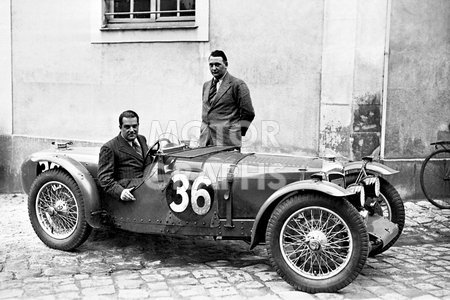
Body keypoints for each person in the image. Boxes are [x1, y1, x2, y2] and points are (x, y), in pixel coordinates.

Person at [199, 50, 255, 149]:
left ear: (226, 64)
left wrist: (236, 131)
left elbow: (249, 113)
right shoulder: (206, 85)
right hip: (206, 140)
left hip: (227, 142)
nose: (214, 68)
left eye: (217, 65)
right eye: (211, 65)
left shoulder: (237, 85)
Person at [98, 110, 149, 201]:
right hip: (133, 192)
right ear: (120, 127)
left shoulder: (142, 139)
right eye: (127, 127)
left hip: (149, 185)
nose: (132, 130)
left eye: (134, 126)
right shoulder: (109, 148)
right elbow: (105, 179)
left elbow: (147, 161)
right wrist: (121, 192)